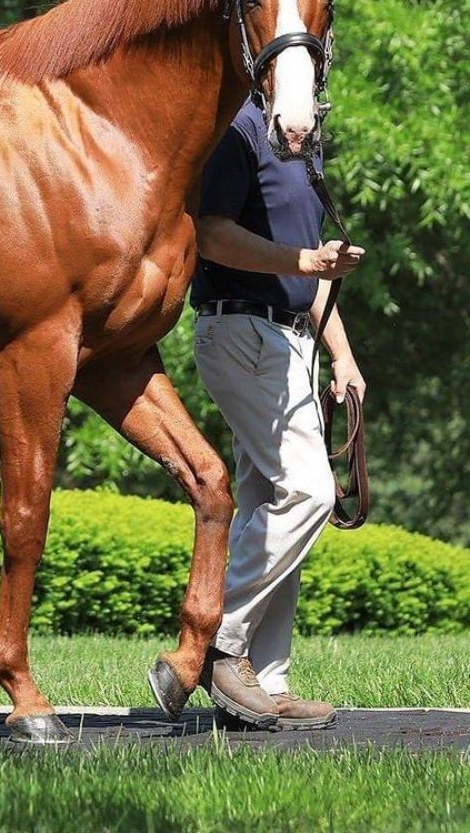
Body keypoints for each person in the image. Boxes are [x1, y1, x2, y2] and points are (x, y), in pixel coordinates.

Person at [191, 97, 365, 731]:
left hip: (289, 341)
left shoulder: (304, 141)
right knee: (311, 493)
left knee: (272, 500)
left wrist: (342, 356)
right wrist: (302, 261)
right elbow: (210, 235)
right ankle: (213, 638)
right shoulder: (238, 132)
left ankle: (265, 681)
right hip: (242, 331)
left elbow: (313, 264)